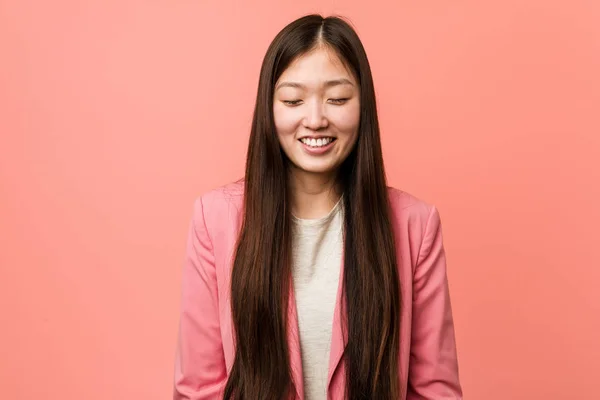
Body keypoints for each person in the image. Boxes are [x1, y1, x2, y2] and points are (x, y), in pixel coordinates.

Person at [173, 14, 462, 400]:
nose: (315, 119)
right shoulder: (216, 219)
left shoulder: (414, 225)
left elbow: (433, 392)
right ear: (269, 108)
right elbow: (198, 388)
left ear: (364, 106)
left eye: (337, 99)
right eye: (293, 100)